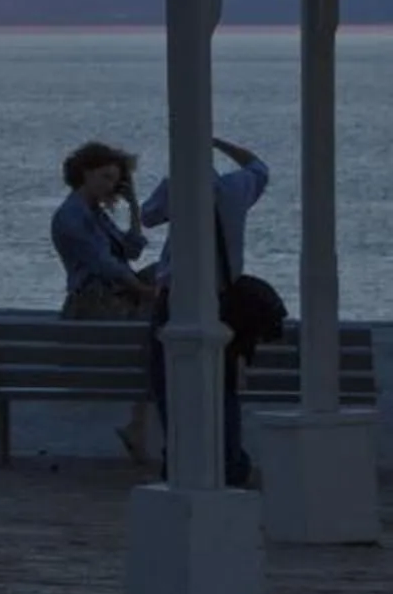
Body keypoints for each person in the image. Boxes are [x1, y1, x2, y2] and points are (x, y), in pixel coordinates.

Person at [138, 137, 273, 486]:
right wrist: (219, 142)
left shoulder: (175, 187)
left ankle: (180, 456)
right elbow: (258, 167)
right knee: (224, 385)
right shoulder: (235, 188)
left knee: (166, 381)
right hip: (224, 299)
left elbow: (148, 217)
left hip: (176, 297)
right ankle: (230, 462)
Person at [50, 140, 155, 462]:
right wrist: (142, 290)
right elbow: (103, 263)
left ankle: (137, 425)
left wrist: (135, 207)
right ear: (85, 173)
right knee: (158, 342)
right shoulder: (72, 216)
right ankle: (137, 425)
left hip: (115, 294)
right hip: (95, 301)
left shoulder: (95, 214)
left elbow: (131, 251)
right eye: (106, 177)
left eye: (115, 179)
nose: (111, 185)